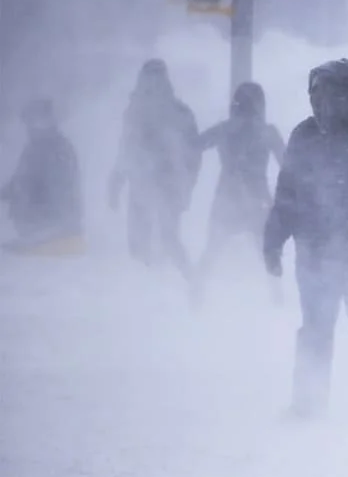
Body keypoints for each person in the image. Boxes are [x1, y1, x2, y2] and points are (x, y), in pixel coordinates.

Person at [263, 58, 348, 421]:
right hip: (314, 255)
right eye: (315, 95)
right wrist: (273, 239)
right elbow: (287, 195)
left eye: (330, 95)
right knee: (314, 331)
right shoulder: (302, 137)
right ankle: (307, 404)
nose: (321, 103)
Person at [192, 81, 287, 305]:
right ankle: (278, 298)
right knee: (266, 252)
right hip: (255, 200)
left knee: (213, 249)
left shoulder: (227, 129)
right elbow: (288, 163)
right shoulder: (265, 132)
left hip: (231, 196)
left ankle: (196, 291)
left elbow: (195, 144)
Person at [108, 58, 201, 280]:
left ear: (165, 81)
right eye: (149, 79)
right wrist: (116, 182)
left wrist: (187, 185)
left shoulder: (179, 113)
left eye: (157, 79)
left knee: (168, 240)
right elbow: (125, 148)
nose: (153, 84)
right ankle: (146, 290)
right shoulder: (134, 111)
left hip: (169, 185)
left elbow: (193, 154)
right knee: (138, 243)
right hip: (141, 183)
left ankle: (187, 282)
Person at [0, 98, 83, 252]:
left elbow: (62, 196)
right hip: (36, 230)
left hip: (54, 230)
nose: (28, 128)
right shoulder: (34, 148)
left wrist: (53, 229)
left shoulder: (57, 151)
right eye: (27, 122)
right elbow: (20, 180)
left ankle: (45, 236)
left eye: (31, 121)